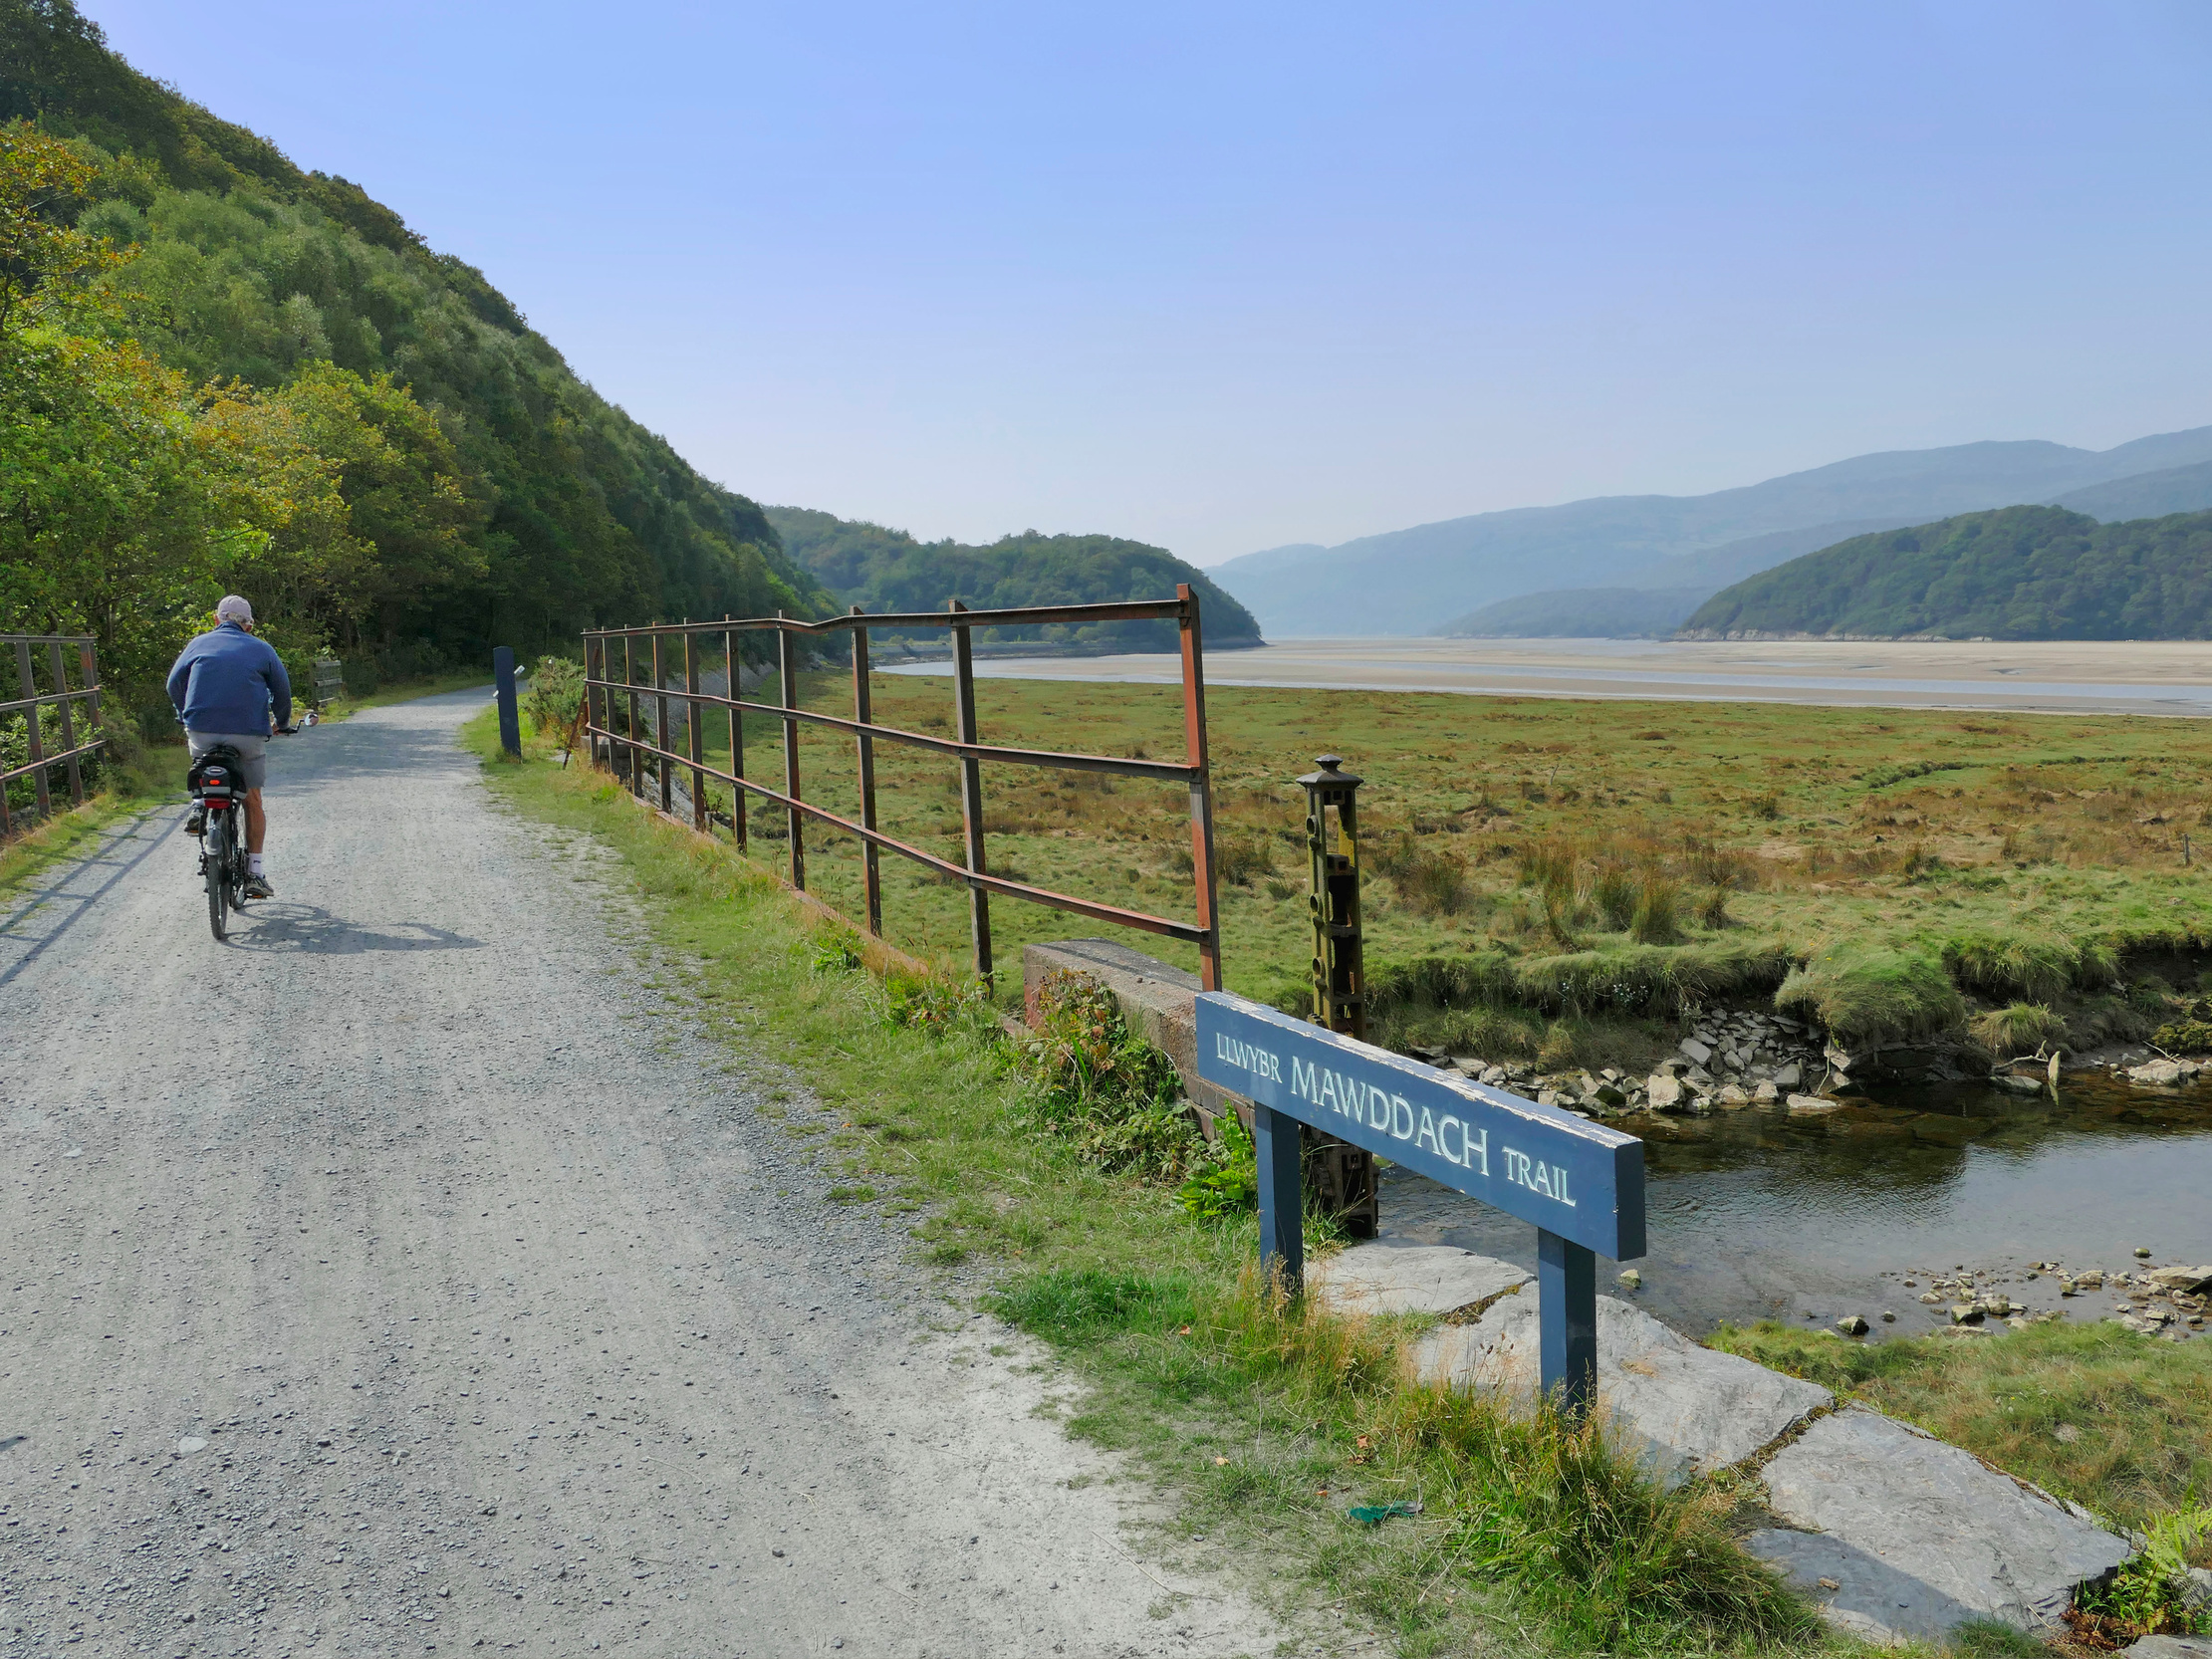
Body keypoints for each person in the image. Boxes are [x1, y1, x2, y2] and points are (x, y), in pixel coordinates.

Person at [167, 594, 292, 898]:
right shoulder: (262, 649)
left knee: (201, 763)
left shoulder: (198, 643)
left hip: (202, 730)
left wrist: (184, 713)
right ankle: (254, 873)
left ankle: (199, 804)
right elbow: (282, 692)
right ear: (248, 626)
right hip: (247, 733)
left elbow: (173, 683)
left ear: (216, 620)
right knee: (252, 801)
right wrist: (282, 723)